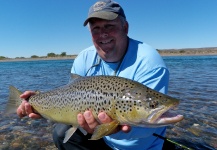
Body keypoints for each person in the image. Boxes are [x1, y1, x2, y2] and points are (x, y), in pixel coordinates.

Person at [17, 0, 170, 149]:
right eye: (95, 28)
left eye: (109, 26)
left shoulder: (149, 62)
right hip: (103, 139)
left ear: (125, 27)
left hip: (140, 146)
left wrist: (113, 129)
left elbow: (147, 127)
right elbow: (68, 95)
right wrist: (37, 104)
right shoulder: (84, 58)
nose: (102, 34)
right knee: (61, 133)